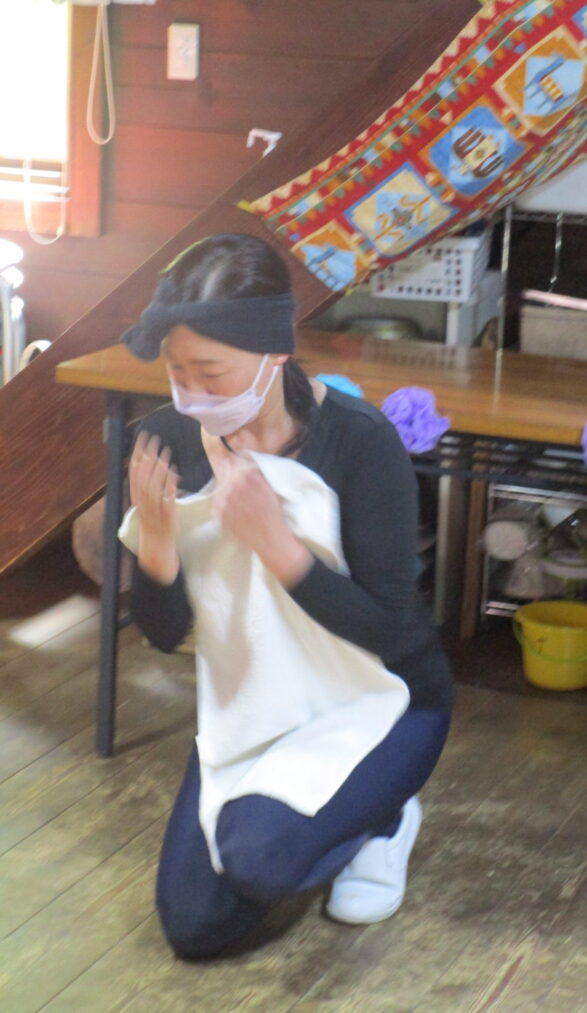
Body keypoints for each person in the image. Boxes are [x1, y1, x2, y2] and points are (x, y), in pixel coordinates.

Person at [120, 233, 453, 960]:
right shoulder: (169, 439)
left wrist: (278, 545)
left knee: (260, 861)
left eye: (211, 372)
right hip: (255, 704)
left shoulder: (360, 441)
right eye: (178, 372)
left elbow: (386, 627)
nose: (192, 392)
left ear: (275, 351)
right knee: (194, 927)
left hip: (382, 700)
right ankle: (325, 814)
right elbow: (165, 634)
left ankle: (383, 820)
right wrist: (157, 544)